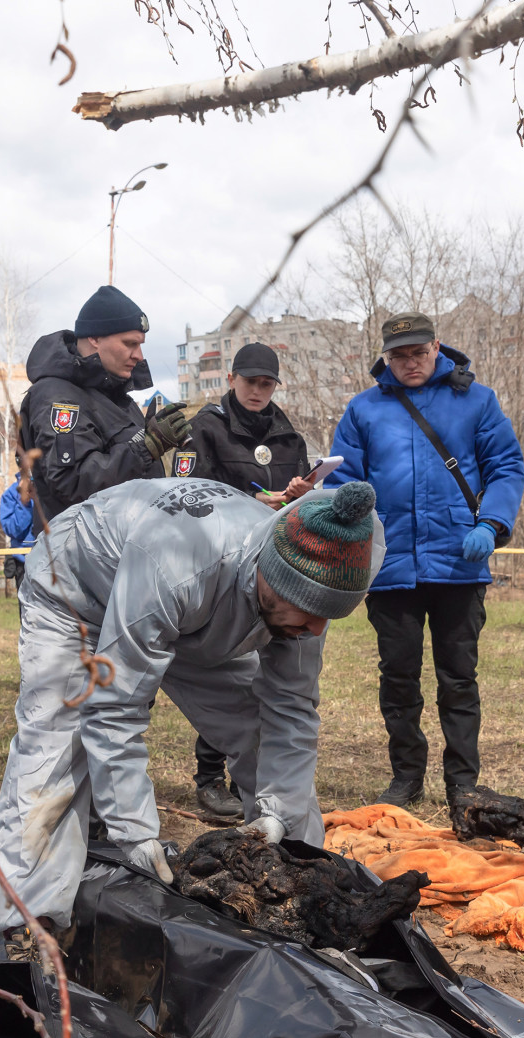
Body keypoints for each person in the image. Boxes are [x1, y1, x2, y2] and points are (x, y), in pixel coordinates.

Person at [0, 478, 384, 932]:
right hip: (80, 589)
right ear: (271, 581)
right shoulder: (176, 565)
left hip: (193, 614)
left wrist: (278, 813)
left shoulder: (313, 577)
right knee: (58, 746)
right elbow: (115, 707)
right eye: (308, 614)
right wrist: (135, 832)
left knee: (258, 732)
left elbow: (291, 709)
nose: (316, 630)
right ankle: (27, 925)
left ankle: (300, 898)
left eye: (327, 617)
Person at [331, 313, 524, 810]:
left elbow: (506, 466)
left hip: (460, 564)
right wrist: (351, 537)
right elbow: (342, 484)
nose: (410, 363)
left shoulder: (476, 401)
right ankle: (406, 778)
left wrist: (492, 524)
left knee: (458, 677)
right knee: (398, 678)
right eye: (399, 355)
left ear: (437, 347)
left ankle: (463, 783)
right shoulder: (363, 411)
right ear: (386, 358)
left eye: (419, 352)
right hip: (391, 569)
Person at [175, 341, 317, 818]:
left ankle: (259, 776)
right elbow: (189, 498)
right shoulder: (205, 431)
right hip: (217, 567)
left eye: (267, 383)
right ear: (230, 379)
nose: (258, 391)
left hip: (275, 569)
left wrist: (297, 497)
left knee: (267, 676)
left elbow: (299, 509)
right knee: (222, 668)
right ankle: (210, 776)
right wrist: (253, 505)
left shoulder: (289, 439)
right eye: (250, 381)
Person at [19, 285, 192, 532]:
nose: (139, 356)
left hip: (126, 550)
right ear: (95, 339)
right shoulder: (57, 397)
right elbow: (72, 484)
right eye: (130, 344)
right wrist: (147, 447)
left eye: (140, 345)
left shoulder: (118, 398)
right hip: (82, 559)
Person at [0, 464, 37, 597]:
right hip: (24, 562)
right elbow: (13, 529)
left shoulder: (50, 486)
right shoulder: (11, 494)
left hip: (53, 560)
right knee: (27, 612)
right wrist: (24, 501)